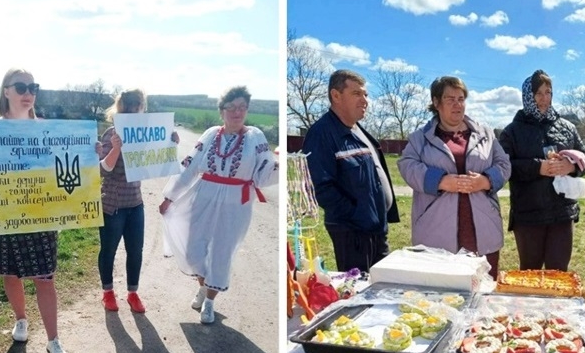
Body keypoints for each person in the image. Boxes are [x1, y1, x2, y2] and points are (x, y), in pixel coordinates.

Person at [160, 86, 278, 325]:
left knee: (221, 251)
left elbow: (264, 176)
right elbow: (189, 166)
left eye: (242, 107)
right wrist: (170, 196)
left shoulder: (255, 137)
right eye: (232, 107)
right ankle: (203, 287)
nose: (237, 112)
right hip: (203, 196)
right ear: (221, 111)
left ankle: (210, 301)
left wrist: (279, 162)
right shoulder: (211, 134)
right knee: (194, 248)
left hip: (236, 202)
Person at [0, 68, 67, 353]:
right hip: (3, 214)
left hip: (40, 215)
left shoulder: (47, 129)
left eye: (33, 86)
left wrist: (89, 152)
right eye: (20, 86)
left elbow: (64, 168)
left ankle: (53, 339)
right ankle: (21, 319)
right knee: (10, 272)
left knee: (44, 278)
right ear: (5, 91)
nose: (28, 93)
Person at [397, 76, 511, 278]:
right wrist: (440, 181)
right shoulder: (419, 138)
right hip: (436, 232)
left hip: (482, 232)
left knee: (484, 291)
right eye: (450, 99)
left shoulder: (486, 134)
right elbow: (407, 166)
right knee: (442, 297)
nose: (457, 104)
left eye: (461, 99)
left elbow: (504, 164)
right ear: (436, 102)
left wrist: (485, 181)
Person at [302, 69, 399, 273]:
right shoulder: (322, 134)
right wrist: (358, 215)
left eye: (366, 95)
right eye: (356, 94)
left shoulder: (358, 130)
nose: (364, 100)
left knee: (382, 287)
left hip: (376, 229)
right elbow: (320, 188)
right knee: (359, 293)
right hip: (352, 233)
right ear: (336, 96)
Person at [498, 69, 585, 271]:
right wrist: (537, 167)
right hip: (528, 215)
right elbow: (503, 167)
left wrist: (571, 166)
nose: (544, 98)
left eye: (548, 92)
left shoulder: (567, 127)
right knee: (529, 275)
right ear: (528, 96)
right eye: (538, 93)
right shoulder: (512, 131)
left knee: (558, 273)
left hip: (562, 214)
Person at [96, 89, 179, 314]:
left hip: (135, 204)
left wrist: (170, 144)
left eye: (138, 104)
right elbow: (103, 170)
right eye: (130, 104)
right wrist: (115, 148)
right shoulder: (111, 134)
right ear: (121, 107)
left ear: (143, 108)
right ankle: (108, 293)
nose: (134, 108)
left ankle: (133, 293)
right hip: (112, 205)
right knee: (109, 250)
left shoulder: (148, 133)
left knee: (136, 251)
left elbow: (160, 161)